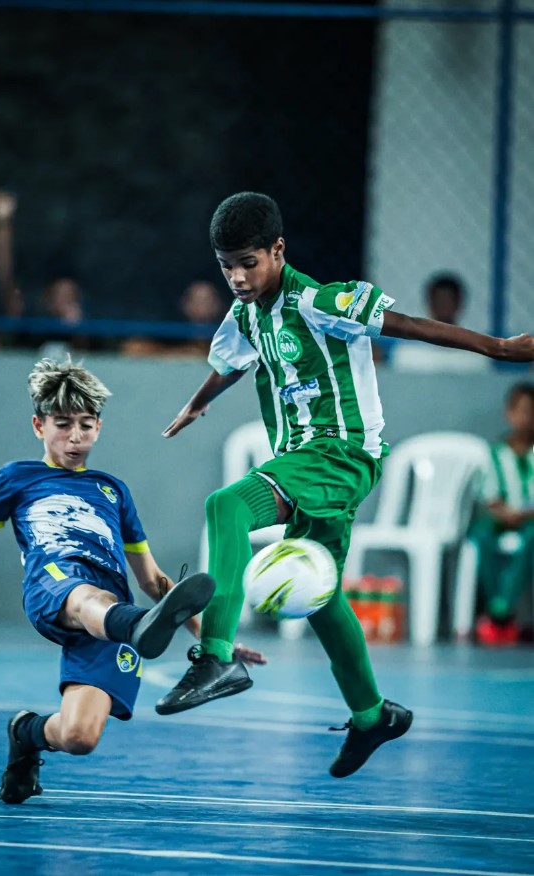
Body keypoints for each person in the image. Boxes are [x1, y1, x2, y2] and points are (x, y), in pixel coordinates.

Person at [155, 191, 534, 778]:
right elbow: (230, 362)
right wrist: (196, 404)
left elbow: (411, 327)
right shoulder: (246, 313)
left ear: (278, 250)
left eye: (248, 263)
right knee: (321, 594)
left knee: (226, 505)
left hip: (340, 453)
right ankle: (371, 714)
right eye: (226, 265)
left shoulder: (321, 301)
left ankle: (217, 658)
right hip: (305, 461)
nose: (236, 277)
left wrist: (500, 347)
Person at [0, 358, 265, 804]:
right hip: (57, 585)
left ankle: (26, 733)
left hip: (115, 611)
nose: (75, 437)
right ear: (39, 425)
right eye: (63, 424)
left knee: (80, 736)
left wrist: (217, 643)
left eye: (85, 425)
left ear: (99, 427)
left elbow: (155, 583)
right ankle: (132, 625)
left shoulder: (112, 491)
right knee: (87, 597)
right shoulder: (17, 478)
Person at [0, 190, 91, 354]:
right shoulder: (31, 320)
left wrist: (79, 330)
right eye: (60, 296)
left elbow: (91, 356)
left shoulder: (84, 326)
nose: (65, 301)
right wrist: (2, 226)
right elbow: (5, 279)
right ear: (48, 299)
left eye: (70, 296)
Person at [471, 382, 534, 646]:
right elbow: (489, 496)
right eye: (520, 411)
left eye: (531, 411)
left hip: (530, 521)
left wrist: (525, 514)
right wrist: (504, 513)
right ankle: (501, 612)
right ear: (508, 413)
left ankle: (499, 610)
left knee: (531, 538)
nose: (526, 418)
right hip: (502, 519)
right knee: (481, 534)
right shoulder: (495, 453)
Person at [120, 280, 226, 358]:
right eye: (197, 300)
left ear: (219, 305)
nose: (204, 306)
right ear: (185, 304)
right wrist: (182, 354)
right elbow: (132, 348)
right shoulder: (170, 333)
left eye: (210, 300)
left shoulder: (230, 336)